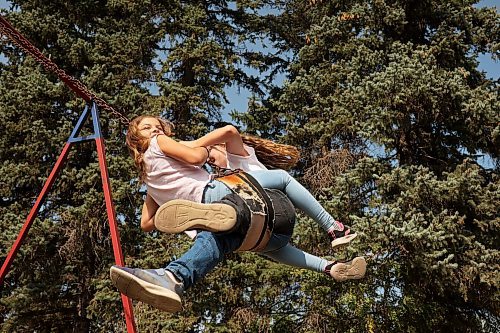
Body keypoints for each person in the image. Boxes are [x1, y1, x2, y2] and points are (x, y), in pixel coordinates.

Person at [110, 115, 364, 312]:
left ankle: (201, 231)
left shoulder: (153, 180)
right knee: (261, 233)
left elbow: (147, 222)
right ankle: (333, 235)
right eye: (148, 128)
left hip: (260, 207)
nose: (155, 131)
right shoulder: (161, 146)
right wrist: (201, 152)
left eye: (158, 127)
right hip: (254, 214)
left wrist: (172, 204)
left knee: (243, 228)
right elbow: (196, 157)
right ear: (135, 138)